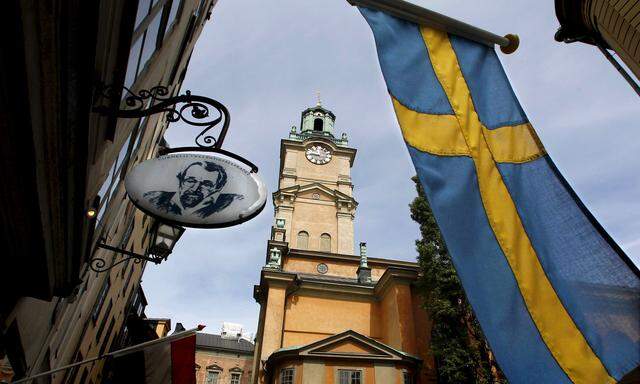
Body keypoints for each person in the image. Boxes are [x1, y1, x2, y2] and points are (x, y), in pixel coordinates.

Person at [144, 161, 243, 218]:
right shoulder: (154, 197)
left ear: (217, 188)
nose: (195, 188)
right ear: (180, 180)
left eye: (206, 184)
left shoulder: (230, 203)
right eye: (190, 181)